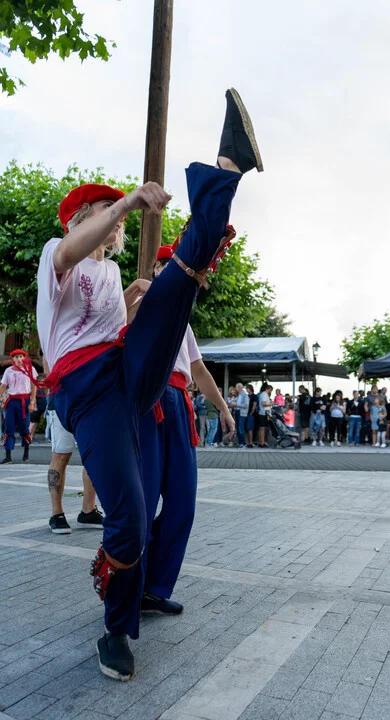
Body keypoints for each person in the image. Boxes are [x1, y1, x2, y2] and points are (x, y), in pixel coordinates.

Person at [35, 88, 262, 681]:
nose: (110, 225)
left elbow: (124, 330)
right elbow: (74, 254)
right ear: (80, 220)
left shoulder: (112, 273)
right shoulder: (59, 255)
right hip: (86, 389)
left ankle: (227, 167)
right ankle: (115, 628)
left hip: (126, 371)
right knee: (131, 518)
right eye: (100, 212)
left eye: (111, 216)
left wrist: (143, 298)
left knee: (180, 277)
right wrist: (129, 201)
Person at [135, 246, 235, 625]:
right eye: (163, 265)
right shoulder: (139, 305)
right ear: (156, 270)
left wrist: (223, 408)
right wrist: (138, 293)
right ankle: (126, 588)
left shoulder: (184, 322)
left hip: (180, 404)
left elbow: (199, 370)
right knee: (141, 503)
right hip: (148, 400)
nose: (169, 270)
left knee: (182, 502)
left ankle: (154, 588)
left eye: (175, 266)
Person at [46, 392, 103, 533]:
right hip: (62, 401)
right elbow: (46, 379)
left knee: (92, 456)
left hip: (89, 403)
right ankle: (56, 514)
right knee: (61, 455)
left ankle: (88, 512)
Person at [0, 349, 37, 464]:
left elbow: (34, 386)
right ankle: (8, 456)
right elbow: (3, 386)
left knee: (25, 427)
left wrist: (32, 402)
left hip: (25, 401)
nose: (19, 359)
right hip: (12, 402)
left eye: (21, 356)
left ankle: (26, 453)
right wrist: (0, 398)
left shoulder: (30, 369)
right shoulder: (8, 371)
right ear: (13, 359)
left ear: (24, 358)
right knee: (9, 427)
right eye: (16, 357)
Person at [29, 377, 47, 441]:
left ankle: (32, 436)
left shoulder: (41, 389)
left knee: (35, 423)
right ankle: (28, 436)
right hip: (36, 408)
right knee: (32, 423)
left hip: (41, 408)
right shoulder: (35, 388)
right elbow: (32, 397)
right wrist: (35, 406)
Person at [233, 382, 249, 447]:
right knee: (238, 428)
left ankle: (243, 443)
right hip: (237, 412)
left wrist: (237, 405)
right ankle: (240, 443)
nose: (235, 389)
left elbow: (246, 405)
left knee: (240, 428)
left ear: (240, 388)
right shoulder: (239, 395)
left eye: (236, 387)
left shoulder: (245, 395)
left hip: (242, 413)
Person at [257, 383, 273, 448]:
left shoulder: (263, 394)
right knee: (263, 428)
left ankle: (261, 441)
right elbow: (263, 403)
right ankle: (262, 442)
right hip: (264, 413)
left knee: (262, 428)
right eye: (270, 390)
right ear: (268, 389)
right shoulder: (264, 394)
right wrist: (270, 404)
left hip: (263, 412)